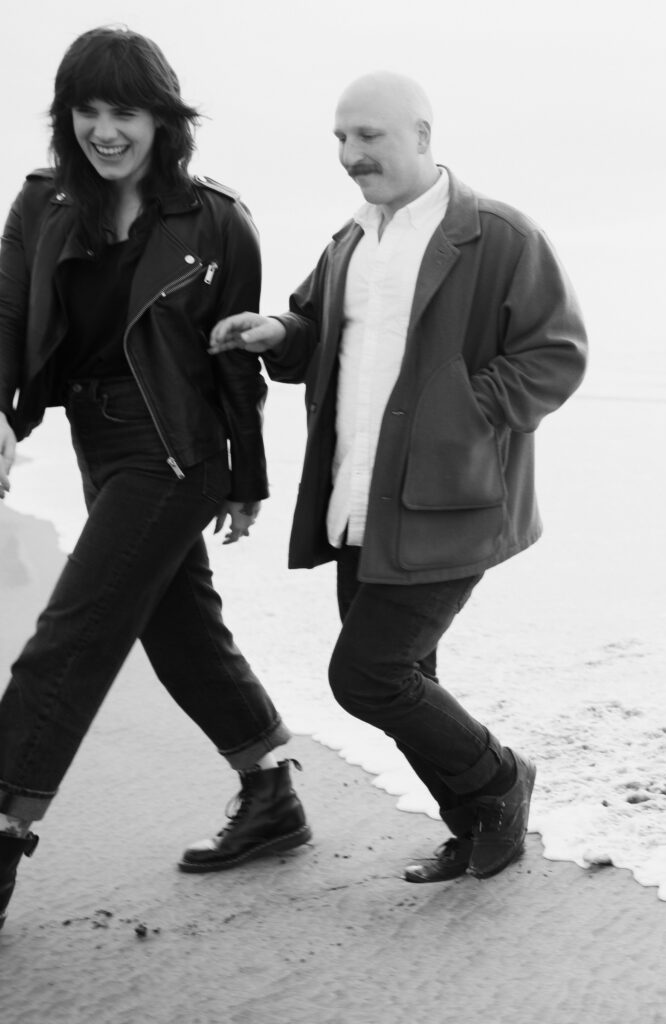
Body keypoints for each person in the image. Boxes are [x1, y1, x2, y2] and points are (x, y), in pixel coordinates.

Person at [209, 71, 588, 884]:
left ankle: (501, 781)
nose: (349, 154)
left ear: (420, 135)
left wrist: (457, 411)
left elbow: (556, 354)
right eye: (340, 138)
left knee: (367, 676)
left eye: (368, 136)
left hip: (451, 503)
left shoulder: (498, 235)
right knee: (410, 678)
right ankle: (477, 825)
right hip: (358, 503)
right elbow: (316, 331)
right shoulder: (349, 240)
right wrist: (276, 330)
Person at [0, 27, 311, 931]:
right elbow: (9, 311)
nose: (104, 130)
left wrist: (244, 479)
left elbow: (232, 366)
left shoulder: (215, 221)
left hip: (177, 449)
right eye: (86, 111)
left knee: (77, 628)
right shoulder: (44, 204)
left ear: (161, 118)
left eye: (123, 111)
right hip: (101, 440)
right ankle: (269, 789)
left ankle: (6, 826)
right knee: (176, 625)